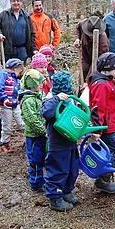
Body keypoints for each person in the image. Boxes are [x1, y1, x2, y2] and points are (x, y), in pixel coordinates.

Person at [40, 71, 79, 212]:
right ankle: (55, 198)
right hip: (57, 144)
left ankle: (66, 191)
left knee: (72, 168)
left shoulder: (71, 98)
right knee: (58, 170)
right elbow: (46, 113)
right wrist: (57, 98)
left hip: (71, 141)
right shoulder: (50, 100)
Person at [88, 52, 115, 193]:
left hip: (110, 124)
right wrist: (97, 130)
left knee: (111, 151)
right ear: (109, 68)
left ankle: (105, 178)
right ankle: (102, 179)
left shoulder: (108, 81)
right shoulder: (102, 85)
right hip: (106, 127)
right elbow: (98, 109)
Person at [20, 69, 47, 191]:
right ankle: (36, 183)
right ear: (32, 84)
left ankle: (42, 179)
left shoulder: (40, 95)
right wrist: (44, 131)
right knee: (35, 160)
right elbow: (32, 120)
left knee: (42, 157)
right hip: (34, 136)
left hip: (42, 134)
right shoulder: (28, 100)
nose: (41, 85)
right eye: (39, 83)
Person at [0, 0, 36, 64]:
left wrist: (33, 49)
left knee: (21, 72)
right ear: (10, 2)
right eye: (13, 1)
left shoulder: (26, 16)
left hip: (23, 50)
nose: (16, 3)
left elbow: (32, 34)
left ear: (21, 2)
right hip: (8, 49)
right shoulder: (4, 15)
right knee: (9, 71)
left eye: (18, 1)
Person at [0, 58, 25, 152]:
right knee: (7, 125)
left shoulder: (16, 79)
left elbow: (18, 90)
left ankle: (29, 139)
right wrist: (4, 98)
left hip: (15, 104)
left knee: (22, 122)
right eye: (20, 70)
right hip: (5, 106)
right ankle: (5, 143)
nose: (21, 73)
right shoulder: (3, 74)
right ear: (15, 68)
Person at [73, 16, 109, 80]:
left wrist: (87, 81)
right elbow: (78, 28)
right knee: (82, 78)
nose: (90, 36)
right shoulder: (84, 25)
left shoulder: (103, 42)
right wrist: (77, 39)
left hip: (97, 63)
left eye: (92, 35)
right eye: (89, 34)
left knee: (92, 81)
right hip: (86, 59)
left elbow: (97, 62)